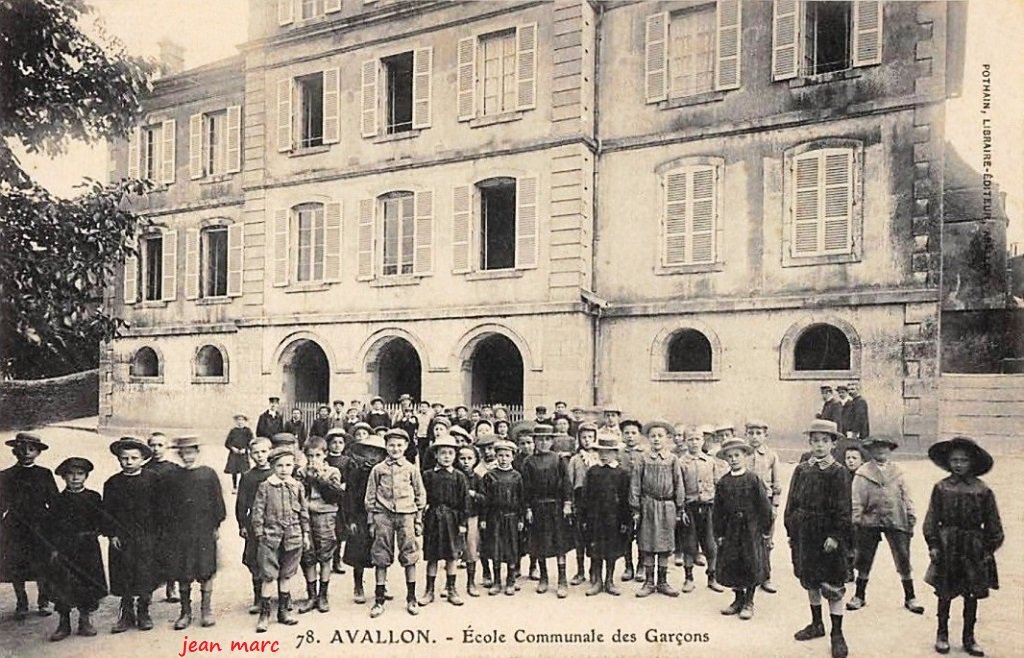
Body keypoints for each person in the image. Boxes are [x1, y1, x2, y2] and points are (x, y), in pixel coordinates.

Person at [924, 436, 1003, 657]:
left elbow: (994, 525)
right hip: (948, 545)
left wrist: (987, 550)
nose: (958, 464)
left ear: (973, 463)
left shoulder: (982, 490)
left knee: (971, 594)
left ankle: (969, 637)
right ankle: (942, 633)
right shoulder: (941, 488)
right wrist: (934, 544)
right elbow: (932, 519)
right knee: (945, 592)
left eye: (964, 460)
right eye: (954, 460)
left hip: (973, 547)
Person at [784, 419, 852, 658]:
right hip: (805, 534)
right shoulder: (802, 469)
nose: (819, 445)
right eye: (815, 441)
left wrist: (835, 535)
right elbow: (792, 502)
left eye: (825, 441)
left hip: (827, 537)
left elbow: (844, 509)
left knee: (832, 585)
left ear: (833, 444)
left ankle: (837, 633)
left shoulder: (838, 472)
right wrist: (791, 529)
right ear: (809, 443)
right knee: (810, 579)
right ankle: (816, 624)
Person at [847, 435, 924, 615]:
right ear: (870, 451)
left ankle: (910, 596)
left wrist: (910, 515)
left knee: (903, 556)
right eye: (877, 448)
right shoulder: (863, 472)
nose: (881, 451)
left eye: (885, 448)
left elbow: (906, 496)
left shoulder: (898, 472)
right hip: (870, 519)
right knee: (864, 557)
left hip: (895, 518)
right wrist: (856, 520)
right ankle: (859, 595)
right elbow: (856, 499)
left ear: (890, 451)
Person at [364, 428, 426, 618]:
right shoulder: (378, 469)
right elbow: (370, 496)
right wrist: (371, 520)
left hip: (406, 514)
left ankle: (411, 598)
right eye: (391, 445)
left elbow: (420, 494)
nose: (395, 448)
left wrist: (418, 519)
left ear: (406, 446)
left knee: (410, 555)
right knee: (380, 555)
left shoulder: (411, 469)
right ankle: (379, 600)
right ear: (386, 446)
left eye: (399, 445)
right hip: (383, 515)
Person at [166, 435, 226, 630]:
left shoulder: (208, 474)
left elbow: (217, 502)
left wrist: (216, 525)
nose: (188, 457)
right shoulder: (173, 476)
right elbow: (167, 507)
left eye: (191, 452)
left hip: (204, 531)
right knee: (184, 571)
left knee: (205, 569)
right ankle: (185, 612)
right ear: (179, 454)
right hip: (181, 532)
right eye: (184, 453)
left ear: (197, 452)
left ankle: (206, 610)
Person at [102, 436, 160, 633]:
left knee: (145, 572)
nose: (128, 462)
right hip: (123, 536)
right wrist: (112, 534)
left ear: (143, 459)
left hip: (147, 535)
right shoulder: (112, 483)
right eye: (124, 458)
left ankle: (143, 611)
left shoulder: (153, 479)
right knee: (124, 572)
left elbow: (161, 508)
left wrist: (159, 534)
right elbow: (107, 512)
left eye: (133, 458)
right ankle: (126, 613)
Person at [45, 457, 106, 641]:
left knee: (86, 581)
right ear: (63, 477)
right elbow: (50, 526)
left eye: (80, 474)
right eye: (70, 474)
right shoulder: (57, 500)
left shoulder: (93, 497)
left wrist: (95, 531)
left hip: (87, 548)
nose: (75, 478)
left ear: (86, 476)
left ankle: (85, 620)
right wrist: (54, 549)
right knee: (63, 583)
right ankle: (64, 622)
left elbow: (101, 520)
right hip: (65, 548)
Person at [251, 447, 310, 633]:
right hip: (271, 538)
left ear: (294, 466)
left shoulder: (297, 486)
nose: (284, 469)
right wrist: (260, 535)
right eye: (280, 465)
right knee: (269, 576)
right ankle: (264, 614)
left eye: (288, 465)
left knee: (286, 575)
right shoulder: (266, 486)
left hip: (293, 537)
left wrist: (305, 534)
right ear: (273, 466)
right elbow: (257, 512)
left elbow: (303, 512)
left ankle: (283, 612)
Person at [714, 437, 773, 620]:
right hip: (732, 529)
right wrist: (720, 533)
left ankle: (749, 600)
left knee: (751, 562)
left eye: (737, 455)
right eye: (730, 456)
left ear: (745, 456)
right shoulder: (724, 482)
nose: (734, 459)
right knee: (733, 562)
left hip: (751, 529)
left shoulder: (753, 479)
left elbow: (765, 507)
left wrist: (765, 530)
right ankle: (738, 599)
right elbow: (718, 510)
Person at [1, 432, 57, 619]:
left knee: (43, 564)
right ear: (15, 451)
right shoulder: (6, 475)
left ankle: (43, 601)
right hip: (15, 527)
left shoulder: (44, 474)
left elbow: (54, 502)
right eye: (22, 449)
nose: (26, 452)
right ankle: (21, 602)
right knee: (17, 564)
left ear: (38, 453)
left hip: (41, 526)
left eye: (31, 449)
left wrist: (53, 524)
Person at [630, 420, 685, 598]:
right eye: (652, 436)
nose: (656, 439)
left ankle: (662, 581)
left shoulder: (673, 459)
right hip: (648, 505)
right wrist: (636, 508)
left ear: (667, 438)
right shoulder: (642, 458)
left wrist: (679, 508)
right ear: (647, 439)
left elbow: (679, 484)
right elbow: (635, 484)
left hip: (667, 506)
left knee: (664, 544)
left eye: (660, 436)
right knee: (647, 543)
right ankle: (648, 581)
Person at [521, 425, 573, 598]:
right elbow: (525, 488)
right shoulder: (528, 461)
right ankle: (543, 578)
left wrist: (567, 503)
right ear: (534, 441)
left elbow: (566, 482)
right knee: (539, 543)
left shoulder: (558, 459)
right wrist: (527, 507)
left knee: (559, 544)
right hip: (537, 507)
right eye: (539, 439)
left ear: (552, 441)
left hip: (555, 506)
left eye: (547, 439)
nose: (543, 443)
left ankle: (562, 579)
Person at [418, 435, 469, 607]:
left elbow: (464, 502)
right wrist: (421, 520)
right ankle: (429, 590)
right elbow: (422, 498)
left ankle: (452, 589)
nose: (446, 456)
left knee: (451, 556)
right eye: (442, 453)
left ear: (455, 456)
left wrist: (462, 523)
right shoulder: (428, 475)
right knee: (432, 556)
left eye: (450, 453)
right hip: (434, 518)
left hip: (452, 519)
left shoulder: (459, 477)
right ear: (436, 455)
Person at [341, 426, 388, 604]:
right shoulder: (356, 471)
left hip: (380, 515)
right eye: (368, 452)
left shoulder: (383, 471)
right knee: (358, 552)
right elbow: (350, 496)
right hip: (360, 516)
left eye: (376, 453)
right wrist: (351, 519)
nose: (372, 456)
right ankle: (358, 585)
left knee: (382, 551)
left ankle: (381, 585)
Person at [297, 436, 344, 614]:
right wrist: (308, 478)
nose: (313, 460)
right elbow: (299, 496)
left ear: (325, 455)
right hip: (307, 516)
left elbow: (334, 496)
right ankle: (311, 595)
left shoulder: (333, 472)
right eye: (309, 456)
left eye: (317, 455)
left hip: (326, 516)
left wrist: (320, 478)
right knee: (308, 556)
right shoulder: (301, 472)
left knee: (325, 555)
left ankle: (323, 595)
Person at [582, 432, 631, 596]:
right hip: (595, 517)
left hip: (614, 518)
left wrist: (625, 521)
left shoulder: (622, 473)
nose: (604, 455)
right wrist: (584, 517)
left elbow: (625, 499)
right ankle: (597, 581)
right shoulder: (593, 471)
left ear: (615, 453)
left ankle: (609, 580)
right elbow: (586, 496)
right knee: (596, 549)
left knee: (612, 550)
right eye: (600, 452)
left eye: (608, 452)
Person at [679, 426, 725, 594]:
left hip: (708, 507)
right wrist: (681, 509)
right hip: (689, 508)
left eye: (697, 439)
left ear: (702, 441)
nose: (694, 442)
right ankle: (688, 578)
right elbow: (679, 487)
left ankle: (712, 577)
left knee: (711, 545)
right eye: (690, 439)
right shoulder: (681, 462)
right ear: (685, 442)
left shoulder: (710, 461)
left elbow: (716, 484)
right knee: (689, 544)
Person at [479, 440, 525, 597]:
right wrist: (484, 518)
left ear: (512, 457)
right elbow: (485, 500)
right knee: (496, 548)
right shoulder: (490, 476)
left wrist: (521, 519)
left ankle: (511, 580)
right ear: (496, 456)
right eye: (500, 455)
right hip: (495, 518)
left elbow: (521, 499)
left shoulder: (517, 476)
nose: (503, 459)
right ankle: (497, 581)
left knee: (512, 549)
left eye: (507, 455)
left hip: (512, 518)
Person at [235, 437, 274, 614]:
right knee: (255, 561)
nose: (260, 456)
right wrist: (242, 523)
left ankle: (280, 598)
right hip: (255, 525)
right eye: (256, 453)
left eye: (263, 452)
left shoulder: (276, 473)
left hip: (274, 522)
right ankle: (258, 598)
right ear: (250, 455)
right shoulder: (248, 477)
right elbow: (241, 503)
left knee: (276, 559)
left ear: (270, 452)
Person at [142, 431, 181, 603]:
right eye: (152, 445)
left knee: (170, 552)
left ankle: (171, 586)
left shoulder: (173, 468)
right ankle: (148, 589)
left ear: (167, 447)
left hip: (170, 517)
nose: (156, 449)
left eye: (160, 445)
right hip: (150, 518)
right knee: (150, 552)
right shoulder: (144, 469)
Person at [745, 419, 782, 594]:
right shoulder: (742, 454)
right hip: (746, 503)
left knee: (766, 540)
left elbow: (777, 484)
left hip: (765, 502)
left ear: (765, 435)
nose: (754, 437)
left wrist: (774, 506)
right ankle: (749, 576)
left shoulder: (771, 456)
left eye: (758, 433)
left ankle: (766, 577)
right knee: (747, 540)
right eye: (751, 433)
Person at [568, 422, 599, 586]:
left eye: (590, 437)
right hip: (580, 500)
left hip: (596, 501)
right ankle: (580, 571)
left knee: (594, 536)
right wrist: (571, 503)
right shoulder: (575, 459)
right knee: (579, 537)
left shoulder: (600, 457)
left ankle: (593, 571)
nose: (587, 440)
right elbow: (570, 482)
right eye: (583, 437)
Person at [618, 418, 645, 582]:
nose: (630, 436)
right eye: (626, 433)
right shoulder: (619, 454)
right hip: (622, 499)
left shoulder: (645, 454)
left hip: (642, 499)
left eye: (633, 433)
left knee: (642, 533)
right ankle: (628, 566)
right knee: (625, 533)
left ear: (639, 436)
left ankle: (642, 565)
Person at [456, 445, 484, 597]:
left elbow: (485, 498)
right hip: (455, 516)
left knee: (471, 549)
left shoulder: (478, 478)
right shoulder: (454, 475)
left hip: (472, 516)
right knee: (452, 549)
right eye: (462, 459)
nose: (466, 462)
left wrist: (474, 495)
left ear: (475, 460)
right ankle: (450, 585)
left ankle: (471, 582)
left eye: (469, 459)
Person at [325, 429, 350, 575]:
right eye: (334, 442)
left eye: (340, 442)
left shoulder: (347, 461)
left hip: (341, 499)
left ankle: (337, 559)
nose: (337, 445)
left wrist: (345, 485)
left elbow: (350, 478)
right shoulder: (325, 460)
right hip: (327, 497)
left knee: (339, 530)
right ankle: (326, 559)